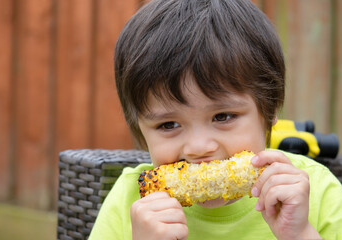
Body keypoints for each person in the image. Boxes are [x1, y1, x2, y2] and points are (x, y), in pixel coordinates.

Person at [89, 0, 342, 239]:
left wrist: (300, 234)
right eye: (169, 125)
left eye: (222, 116)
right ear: (140, 130)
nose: (199, 148)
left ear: (269, 109)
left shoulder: (316, 193)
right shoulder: (128, 202)